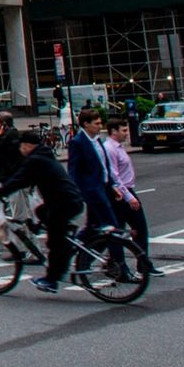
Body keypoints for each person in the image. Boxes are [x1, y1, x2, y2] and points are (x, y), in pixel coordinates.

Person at [0, 129, 86, 294]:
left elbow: (20, 179)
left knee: (54, 242)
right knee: (41, 212)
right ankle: (61, 237)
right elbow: (28, 179)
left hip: (63, 204)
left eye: (21, 146)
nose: (20, 149)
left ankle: (52, 279)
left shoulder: (35, 160)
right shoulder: (44, 155)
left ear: (27, 145)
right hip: (68, 200)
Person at [66, 109, 123, 273]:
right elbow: (73, 171)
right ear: (86, 124)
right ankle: (121, 268)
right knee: (112, 229)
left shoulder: (97, 140)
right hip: (93, 192)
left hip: (103, 188)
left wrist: (112, 185)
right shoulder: (78, 142)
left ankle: (73, 254)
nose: (100, 126)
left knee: (93, 229)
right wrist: (77, 192)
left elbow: (103, 166)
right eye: (96, 123)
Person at [104, 119, 160, 278]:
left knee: (119, 231)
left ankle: (119, 264)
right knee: (138, 229)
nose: (126, 133)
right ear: (113, 131)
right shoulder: (110, 149)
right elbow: (114, 176)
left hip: (124, 192)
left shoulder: (117, 147)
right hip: (121, 193)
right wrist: (129, 197)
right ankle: (140, 266)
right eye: (123, 130)